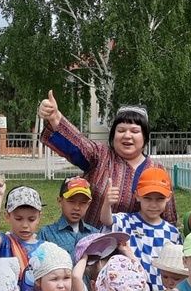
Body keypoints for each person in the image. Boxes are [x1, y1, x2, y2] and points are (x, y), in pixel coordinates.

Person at [38, 90, 177, 227]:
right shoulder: (101, 155)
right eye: (121, 130)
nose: (127, 136)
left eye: (134, 131)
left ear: (145, 137)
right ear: (113, 135)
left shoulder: (157, 170)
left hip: (138, 246)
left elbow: (168, 218)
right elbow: (78, 144)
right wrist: (55, 117)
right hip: (92, 241)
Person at [101, 165, 182, 291]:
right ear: (137, 196)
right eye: (147, 198)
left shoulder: (172, 232)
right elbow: (107, 220)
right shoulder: (125, 221)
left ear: (169, 197)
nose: (153, 204)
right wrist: (107, 203)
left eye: (159, 199)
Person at [0, 175, 44, 291]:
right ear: (7, 216)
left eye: (31, 219)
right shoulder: (5, 242)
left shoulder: (44, 248)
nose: (25, 225)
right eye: (18, 219)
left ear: (39, 218)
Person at [38, 176, 99, 262]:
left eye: (83, 203)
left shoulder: (95, 234)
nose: (77, 208)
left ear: (89, 204)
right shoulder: (46, 234)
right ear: (60, 201)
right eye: (71, 201)